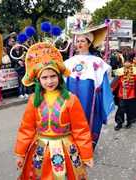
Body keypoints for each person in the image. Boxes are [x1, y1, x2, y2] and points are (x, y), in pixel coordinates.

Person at [15, 42, 94, 180]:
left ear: (59, 77)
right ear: (38, 80)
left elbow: (80, 129)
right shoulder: (34, 99)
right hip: (40, 150)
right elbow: (26, 128)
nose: (49, 81)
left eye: (53, 76)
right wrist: (21, 154)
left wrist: (86, 154)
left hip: (66, 149)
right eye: (44, 77)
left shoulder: (71, 99)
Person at [64, 24, 115, 150]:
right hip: (70, 97)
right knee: (70, 120)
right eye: (78, 41)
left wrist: (101, 99)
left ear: (89, 43)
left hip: (88, 99)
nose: (79, 43)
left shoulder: (97, 62)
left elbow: (103, 84)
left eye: (83, 41)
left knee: (86, 120)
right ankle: (71, 149)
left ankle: (86, 150)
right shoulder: (70, 61)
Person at [111, 52, 136, 131]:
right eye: (126, 62)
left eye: (129, 62)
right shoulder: (121, 72)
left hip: (131, 96)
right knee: (120, 109)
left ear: (131, 63)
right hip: (121, 95)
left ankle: (129, 122)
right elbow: (116, 83)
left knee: (130, 110)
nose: (127, 64)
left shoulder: (134, 73)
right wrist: (110, 90)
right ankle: (119, 123)